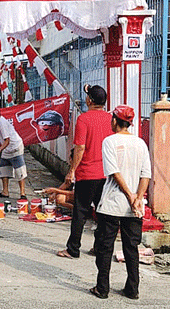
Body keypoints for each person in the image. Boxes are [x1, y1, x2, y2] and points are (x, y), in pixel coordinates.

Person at [92, 105, 152, 301]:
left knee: (105, 245)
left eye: (112, 119)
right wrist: (137, 197)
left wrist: (129, 195)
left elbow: (114, 172)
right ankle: (132, 289)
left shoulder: (109, 141)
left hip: (112, 203)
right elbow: (146, 175)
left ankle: (102, 288)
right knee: (131, 247)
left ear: (116, 121)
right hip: (135, 206)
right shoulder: (140, 143)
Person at [58, 84, 112, 259]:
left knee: (80, 212)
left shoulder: (83, 119)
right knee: (103, 213)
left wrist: (72, 170)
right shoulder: (110, 119)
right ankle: (99, 247)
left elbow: (80, 147)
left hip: (87, 173)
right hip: (106, 173)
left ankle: (73, 248)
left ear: (89, 100)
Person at [0, 103, 26, 199]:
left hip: (15, 147)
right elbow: (3, 141)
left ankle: (22, 193)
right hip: (6, 149)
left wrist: (0, 149)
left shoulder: (2, 124)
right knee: (3, 170)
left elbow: (7, 140)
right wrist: (0, 152)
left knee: (19, 171)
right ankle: (5, 192)